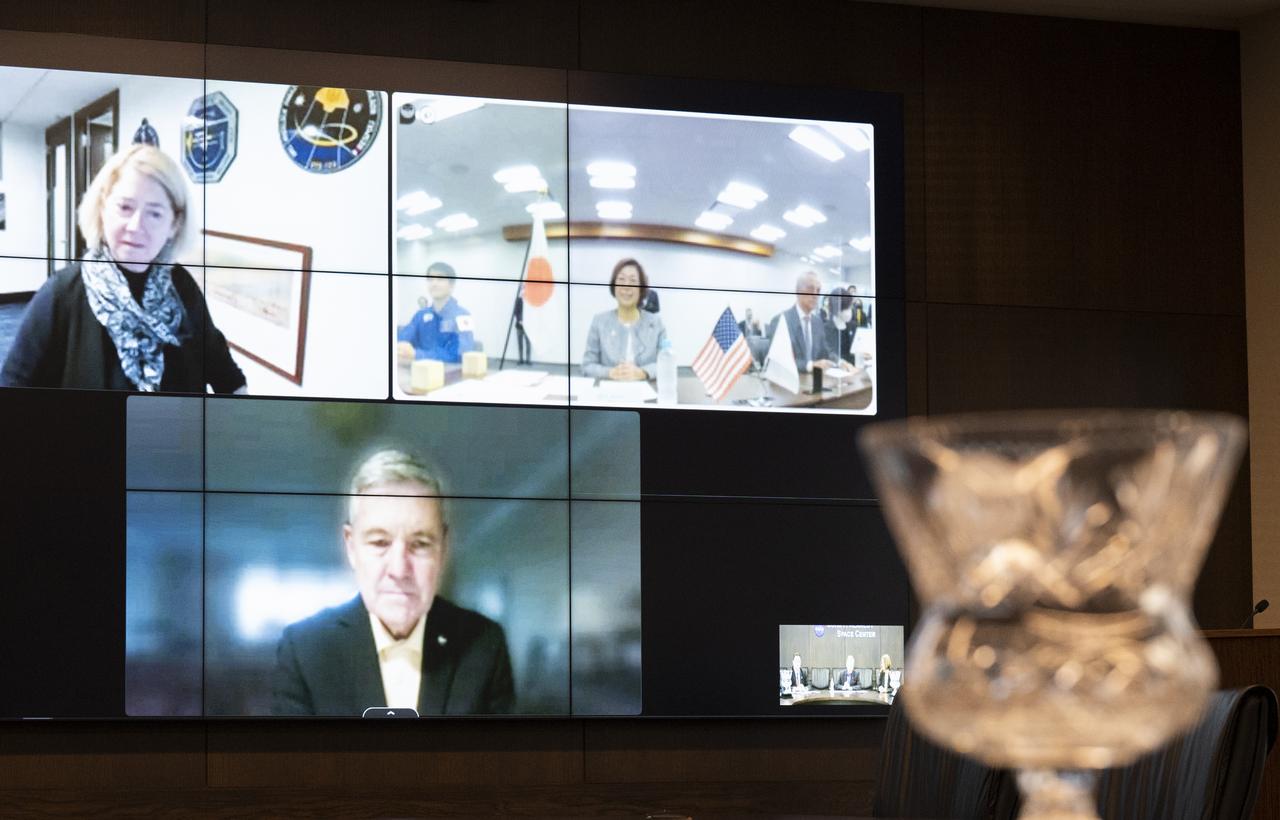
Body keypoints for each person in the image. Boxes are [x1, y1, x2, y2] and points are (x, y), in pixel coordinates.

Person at [271, 450, 515, 716]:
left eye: (420, 544)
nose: (399, 570)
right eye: (379, 542)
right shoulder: (305, 650)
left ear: (442, 549)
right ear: (351, 547)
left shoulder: (484, 645)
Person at [0, 145, 245, 392]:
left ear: (174, 224)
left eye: (155, 214)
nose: (136, 226)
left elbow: (226, 373)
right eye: (125, 208)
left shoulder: (181, 285)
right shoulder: (61, 294)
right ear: (103, 208)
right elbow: (13, 388)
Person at [582, 258, 667, 381]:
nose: (626, 286)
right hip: (609, 394)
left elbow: (666, 364)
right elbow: (587, 366)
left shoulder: (656, 323)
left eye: (633, 281)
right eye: (621, 279)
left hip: (646, 391)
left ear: (641, 288)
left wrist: (643, 372)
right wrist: (610, 372)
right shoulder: (599, 322)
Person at [396, 262, 476, 364]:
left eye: (440, 279)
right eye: (430, 279)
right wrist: (401, 346)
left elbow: (461, 354)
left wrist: (417, 354)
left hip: (451, 374)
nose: (434, 283)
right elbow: (404, 336)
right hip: (421, 371)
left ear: (451, 285)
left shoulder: (463, 316)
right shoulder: (421, 315)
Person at [767, 271, 835, 372]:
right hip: (790, 383)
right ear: (798, 291)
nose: (815, 295)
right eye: (810, 289)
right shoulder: (781, 321)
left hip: (815, 381)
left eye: (818, 290)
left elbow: (826, 352)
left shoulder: (817, 322)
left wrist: (840, 363)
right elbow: (780, 360)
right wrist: (810, 366)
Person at [822, 287, 860, 367]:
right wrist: (841, 363)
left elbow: (856, 350)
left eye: (850, 307)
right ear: (837, 310)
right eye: (847, 308)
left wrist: (862, 354)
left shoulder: (853, 326)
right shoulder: (825, 329)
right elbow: (828, 353)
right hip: (835, 370)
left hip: (853, 369)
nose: (851, 311)